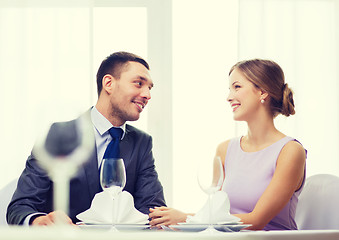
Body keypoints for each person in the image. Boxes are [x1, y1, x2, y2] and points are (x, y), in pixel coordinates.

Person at [7, 51, 166, 226]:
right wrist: (39, 221)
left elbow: (153, 210)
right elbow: (20, 207)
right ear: (108, 83)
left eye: (149, 88)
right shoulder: (59, 134)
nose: (147, 95)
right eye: (139, 83)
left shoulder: (142, 143)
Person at [149, 59, 306, 231]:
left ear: (262, 92)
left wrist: (185, 219)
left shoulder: (290, 151)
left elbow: (256, 220)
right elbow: (215, 214)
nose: (229, 97)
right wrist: (173, 224)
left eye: (237, 87)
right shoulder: (225, 150)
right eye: (230, 89)